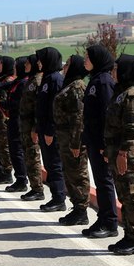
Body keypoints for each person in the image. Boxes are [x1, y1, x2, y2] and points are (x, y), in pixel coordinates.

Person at [104, 54, 134, 255]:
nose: (113, 72)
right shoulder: (120, 92)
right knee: (123, 195)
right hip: (116, 150)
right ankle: (129, 234)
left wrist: (121, 153)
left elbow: (130, 128)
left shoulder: (132, 94)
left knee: (130, 195)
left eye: (117, 68)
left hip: (126, 151)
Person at [81, 45, 119, 238]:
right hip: (94, 142)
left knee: (105, 182)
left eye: (88, 56)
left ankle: (110, 222)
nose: (85, 59)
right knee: (101, 181)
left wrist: (105, 145)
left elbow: (106, 115)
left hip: (101, 144)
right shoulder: (95, 80)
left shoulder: (103, 82)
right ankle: (103, 217)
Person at [54, 55, 91, 225]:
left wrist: (76, 143)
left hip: (73, 140)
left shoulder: (77, 87)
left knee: (77, 174)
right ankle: (76, 208)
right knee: (69, 174)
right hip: (65, 138)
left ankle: (81, 210)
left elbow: (78, 118)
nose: (64, 66)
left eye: (68, 64)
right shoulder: (68, 85)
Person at [34, 47, 67, 211]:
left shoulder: (55, 80)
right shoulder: (46, 78)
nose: (38, 62)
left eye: (40, 59)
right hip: (42, 129)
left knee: (54, 164)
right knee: (49, 164)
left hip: (51, 132)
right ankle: (55, 196)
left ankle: (59, 198)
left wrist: (49, 130)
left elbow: (55, 108)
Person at [0, 57, 29, 193]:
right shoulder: (17, 82)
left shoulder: (22, 83)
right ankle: (19, 179)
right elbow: (1, 86)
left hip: (18, 120)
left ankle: (21, 180)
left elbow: (16, 104)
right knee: (14, 151)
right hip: (13, 120)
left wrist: (1, 104)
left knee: (17, 151)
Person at [19, 54, 44, 201]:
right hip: (25, 126)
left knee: (33, 157)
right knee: (28, 157)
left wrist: (35, 127)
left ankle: (38, 189)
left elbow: (38, 107)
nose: (25, 65)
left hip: (31, 127)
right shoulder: (31, 80)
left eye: (28, 63)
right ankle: (34, 187)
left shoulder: (38, 81)